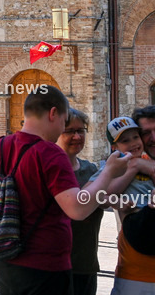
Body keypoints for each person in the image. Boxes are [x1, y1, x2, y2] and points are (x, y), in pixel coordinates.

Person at [0, 87, 133, 295]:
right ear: (53, 114)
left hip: (5, 263)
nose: (62, 129)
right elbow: (77, 209)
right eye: (64, 121)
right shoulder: (50, 153)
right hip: (45, 267)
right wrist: (110, 172)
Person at [109, 105, 155, 294]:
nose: (154, 138)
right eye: (145, 133)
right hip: (132, 276)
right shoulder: (121, 168)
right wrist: (134, 166)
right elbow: (93, 197)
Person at [57, 109, 103, 295]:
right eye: (70, 131)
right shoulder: (48, 170)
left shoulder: (91, 170)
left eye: (81, 130)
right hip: (53, 268)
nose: (77, 136)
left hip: (86, 265)